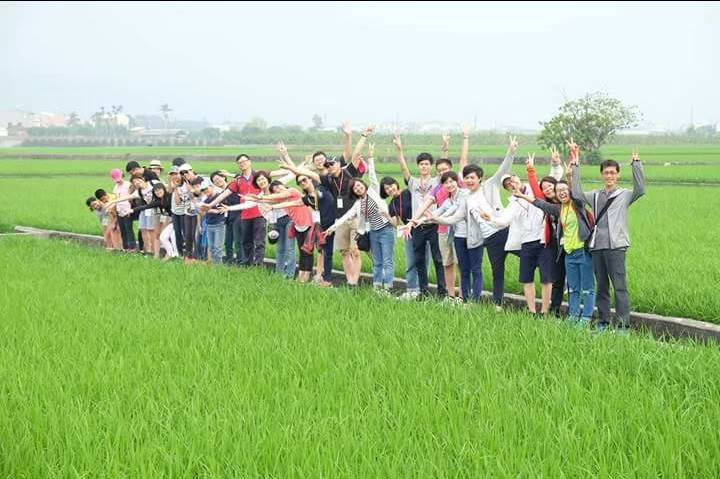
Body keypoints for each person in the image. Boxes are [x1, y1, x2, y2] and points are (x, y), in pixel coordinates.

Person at [570, 142, 645, 332]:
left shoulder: (625, 195)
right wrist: (576, 165)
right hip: (597, 246)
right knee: (601, 287)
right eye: (606, 172)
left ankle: (622, 325)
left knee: (619, 287)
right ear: (602, 174)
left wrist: (636, 165)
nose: (609, 176)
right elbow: (577, 193)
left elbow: (640, 189)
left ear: (617, 175)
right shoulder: (595, 195)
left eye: (613, 173)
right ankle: (603, 322)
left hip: (616, 246)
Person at [513, 179, 595, 324]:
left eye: (564, 189)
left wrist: (571, 175)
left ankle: (586, 317)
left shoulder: (577, 205)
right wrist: (522, 195)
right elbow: (540, 203)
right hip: (569, 254)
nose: (562, 192)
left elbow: (576, 189)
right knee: (573, 288)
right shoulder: (558, 209)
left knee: (587, 288)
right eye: (559, 191)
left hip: (583, 252)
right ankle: (573, 315)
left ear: (569, 191)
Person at [482, 157, 554, 315]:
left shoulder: (535, 191)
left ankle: (545, 311)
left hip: (543, 241)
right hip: (526, 243)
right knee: (527, 278)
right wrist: (491, 219)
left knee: (546, 278)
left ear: (518, 179)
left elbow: (552, 182)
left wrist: (554, 163)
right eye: (507, 185)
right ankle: (532, 311)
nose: (511, 184)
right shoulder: (513, 202)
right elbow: (504, 220)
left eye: (512, 180)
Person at [407, 128, 471, 300]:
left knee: (460, 264)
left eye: (445, 170)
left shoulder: (457, 182)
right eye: (440, 171)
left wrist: (465, 137)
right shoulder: (437, 188)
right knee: (447, 263)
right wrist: (414, 221)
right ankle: (450, 297)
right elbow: (426, 204)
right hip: (442, 230)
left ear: (451, 170)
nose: (443, 173)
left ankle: (462, 297)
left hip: (460, 230)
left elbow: (463, 160)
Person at [325, 144, 395, 291]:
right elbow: (346, 216)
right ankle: (376, 288)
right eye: (355, 188)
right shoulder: (358, 203)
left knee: (387, 260)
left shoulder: (374, 191)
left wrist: (371, 158)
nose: (358, 188)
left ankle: (388, 288)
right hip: (374, 232)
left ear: (364, 185)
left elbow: (373, 176)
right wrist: (332, 228)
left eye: (359, 186)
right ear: (354, 191)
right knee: (376, 261)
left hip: (385, 229)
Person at [393, 134, 446, 299]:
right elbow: (403, 168)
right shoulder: (413, 182)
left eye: (427, 164)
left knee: (438, 260)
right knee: (419, 260)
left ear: (431, 166)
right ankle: (423, 292)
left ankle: (442, 292)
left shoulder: (437, 181)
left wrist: (445, 148)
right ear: (418, 166)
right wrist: (399, 150)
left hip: (434, 225)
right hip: (417, 227)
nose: (424, 166)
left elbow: (445, 168)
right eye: (421, 164)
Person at [525, 148, 565, 315]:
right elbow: (537, 194)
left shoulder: (565, 199)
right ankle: (554, 310)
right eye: (544, 188)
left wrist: (556, 163)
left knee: (565, 279)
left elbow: (559, 175)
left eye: (550, 186)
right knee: (557, 278)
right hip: (555, 245)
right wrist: (531, 171)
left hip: (570, 243)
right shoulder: (546, 204)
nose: (547, 189)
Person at [205, 154, 265, 266]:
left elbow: (243, 177)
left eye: (219, 178)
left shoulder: (242, 181)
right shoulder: (226, 188)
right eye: (215, 181)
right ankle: (237, 262)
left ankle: (250, 263)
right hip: (232, 218)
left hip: (246, 214)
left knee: (249, 241)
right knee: (234, 242)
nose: (217, 181)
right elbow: (222, 199)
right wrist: (210, 206)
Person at [110, 168, 137, 252]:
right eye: (116, 180)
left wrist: (130, 209)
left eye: (119, 178)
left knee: (128, 229)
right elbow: (116, 199)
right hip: (119, 210)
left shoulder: (128, 185)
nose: (118, 181)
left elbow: (132, 198)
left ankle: (132, 248)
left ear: (122, 175)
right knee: (122, 230)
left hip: (127, 210)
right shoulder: (115, 187)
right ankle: (125, 248)